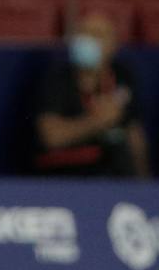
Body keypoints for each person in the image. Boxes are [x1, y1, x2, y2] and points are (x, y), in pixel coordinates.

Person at [34, 11, 149, 177]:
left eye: (97, 34)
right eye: (83, 33)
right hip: (67, 174)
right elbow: (52, 137)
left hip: (115, 172)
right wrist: (97, 122)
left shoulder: (122, 76)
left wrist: (144, 185)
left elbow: (134, 133)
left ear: (114, 44)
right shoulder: (58, 80)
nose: (87, 39)